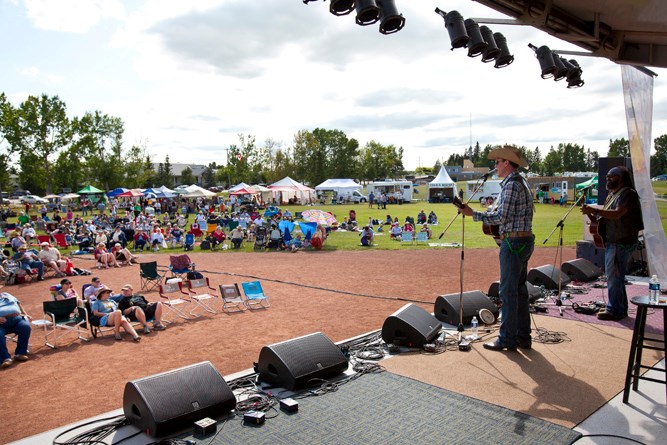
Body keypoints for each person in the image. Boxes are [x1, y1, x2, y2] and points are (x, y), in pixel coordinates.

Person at [458, 146, 534, 351]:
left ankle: (507, 338)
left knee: (508, 292)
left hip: (514, 243)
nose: (495, 166)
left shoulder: (511, 185)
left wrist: (473, 214)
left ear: (507, 163)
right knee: (519, 291)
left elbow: (501, 217)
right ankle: (522, 336)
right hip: (523, 240)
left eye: (498, 162)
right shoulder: (520, 182)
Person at [581, 166, 643, 321]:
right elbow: (603, 220)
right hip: (613, 241)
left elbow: (618, 214)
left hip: (621, 242)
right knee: (617, 276)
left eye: (612, 176)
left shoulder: (628, 194)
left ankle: (614, 309)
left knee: (614, 276)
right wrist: (591, 213)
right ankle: (619, 308)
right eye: (607, 175)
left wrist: (595, 210)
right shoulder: (612, 195)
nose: (608, 178)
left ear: (621, 178)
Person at [0, 291, 32, 368]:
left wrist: (25, 314)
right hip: (1, 324)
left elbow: (18, 304)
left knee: (25, 327)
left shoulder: (6, 294)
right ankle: (5, 358)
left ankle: (20, 353)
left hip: (17, 319)